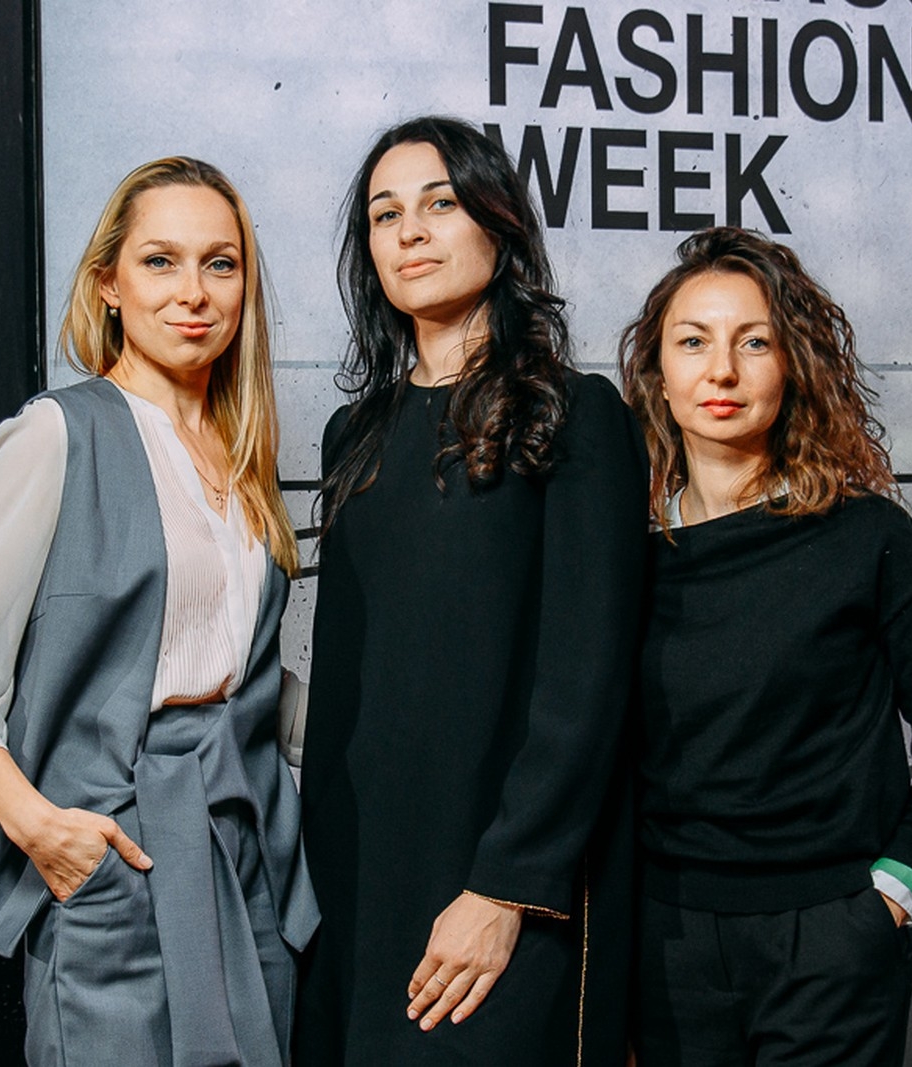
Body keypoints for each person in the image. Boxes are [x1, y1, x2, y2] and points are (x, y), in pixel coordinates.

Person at [0, 157, 317, 1067]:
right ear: (109, 285)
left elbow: (230, 669)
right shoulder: (57, 432)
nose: (193, 291)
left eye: (220, 263)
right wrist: (42, 828)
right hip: (117, 846)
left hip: (246, 846)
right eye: (160, 261)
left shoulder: (241, 456)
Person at [295, 116, 650, 1066]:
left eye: (440, 204)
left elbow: (588, 679)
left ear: (500, 225)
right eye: (385, 214)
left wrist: (506, 885)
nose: (409, 232)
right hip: (362, 877)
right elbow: (344, 686)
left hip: (508, 877)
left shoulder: (575, 413)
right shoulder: (354, 433)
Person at [618, 227, 912, 1066]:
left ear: (793, 366)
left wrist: (888, 899)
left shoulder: (868, 537)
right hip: (665, 950)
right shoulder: (622, 561)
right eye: (693, 342)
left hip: (832, 943)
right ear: (656, 373)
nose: (722, 371)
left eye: (754, 342)